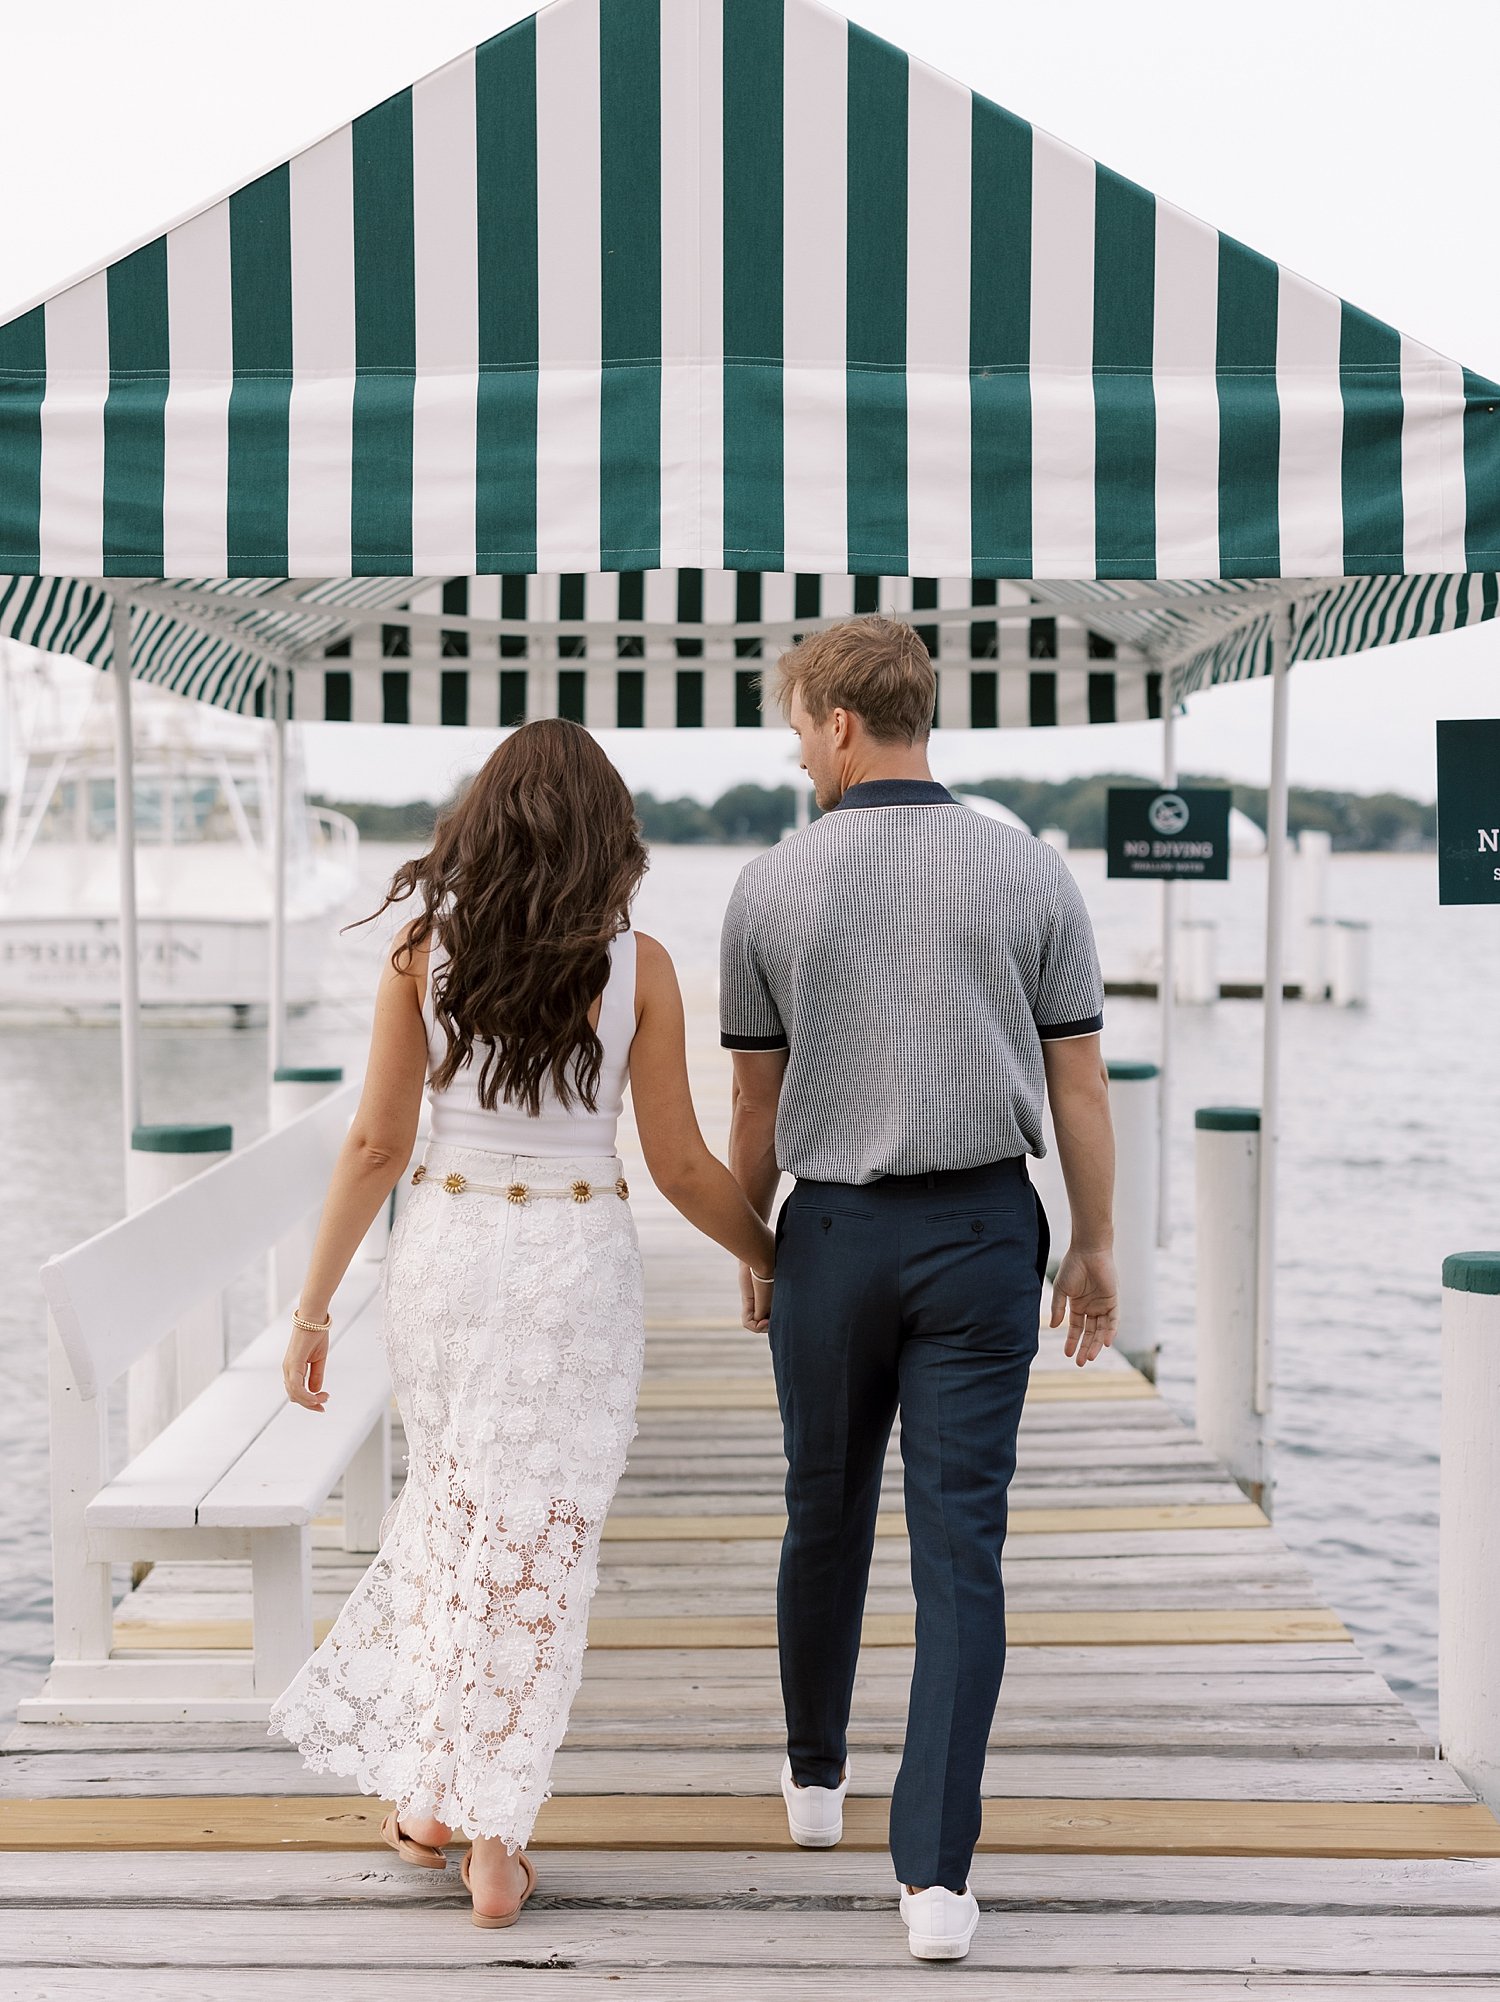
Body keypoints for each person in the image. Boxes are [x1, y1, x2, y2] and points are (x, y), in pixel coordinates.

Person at [269, 719, 775, 1928]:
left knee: (454, 1508)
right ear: (612, 836)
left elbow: (378, 1145)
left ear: (480, 824)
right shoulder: (637, 965)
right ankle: (493, 1838)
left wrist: (312, 1306)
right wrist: (773, 1255)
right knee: (541, 1538)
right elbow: (684, 1164)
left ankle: (442, 1804)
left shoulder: (421, 954)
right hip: (572, 1264)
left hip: (446, 1254)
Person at [721, 616, 1118, 1963]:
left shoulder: (770, 884)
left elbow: (755, 1102)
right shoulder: (1031, 870)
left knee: (820, 1513)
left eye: (793, 723)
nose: (796, 746)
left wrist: (750, 1241)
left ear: (836, 724)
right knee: (962, 1549)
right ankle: (936, 1876)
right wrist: (1096, 1243)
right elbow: (1078, 1082)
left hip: (830, 1233)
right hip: (985, 1235)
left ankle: (814, 1776)